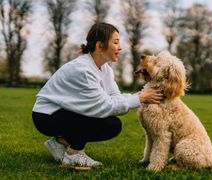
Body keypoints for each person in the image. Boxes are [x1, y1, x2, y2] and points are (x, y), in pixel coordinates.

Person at [32, 23, 163, 167]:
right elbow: (104, 107)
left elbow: (115, 97)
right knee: (110, 124)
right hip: (46, 116)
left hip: (62, 112)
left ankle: (61, 142)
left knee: (110, 123)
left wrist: (140, 94)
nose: (120, 48)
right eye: (115, 42)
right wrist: (141, 98)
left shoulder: (106, 69)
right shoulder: (83, 70)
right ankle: (73, 154)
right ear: (100, 46)